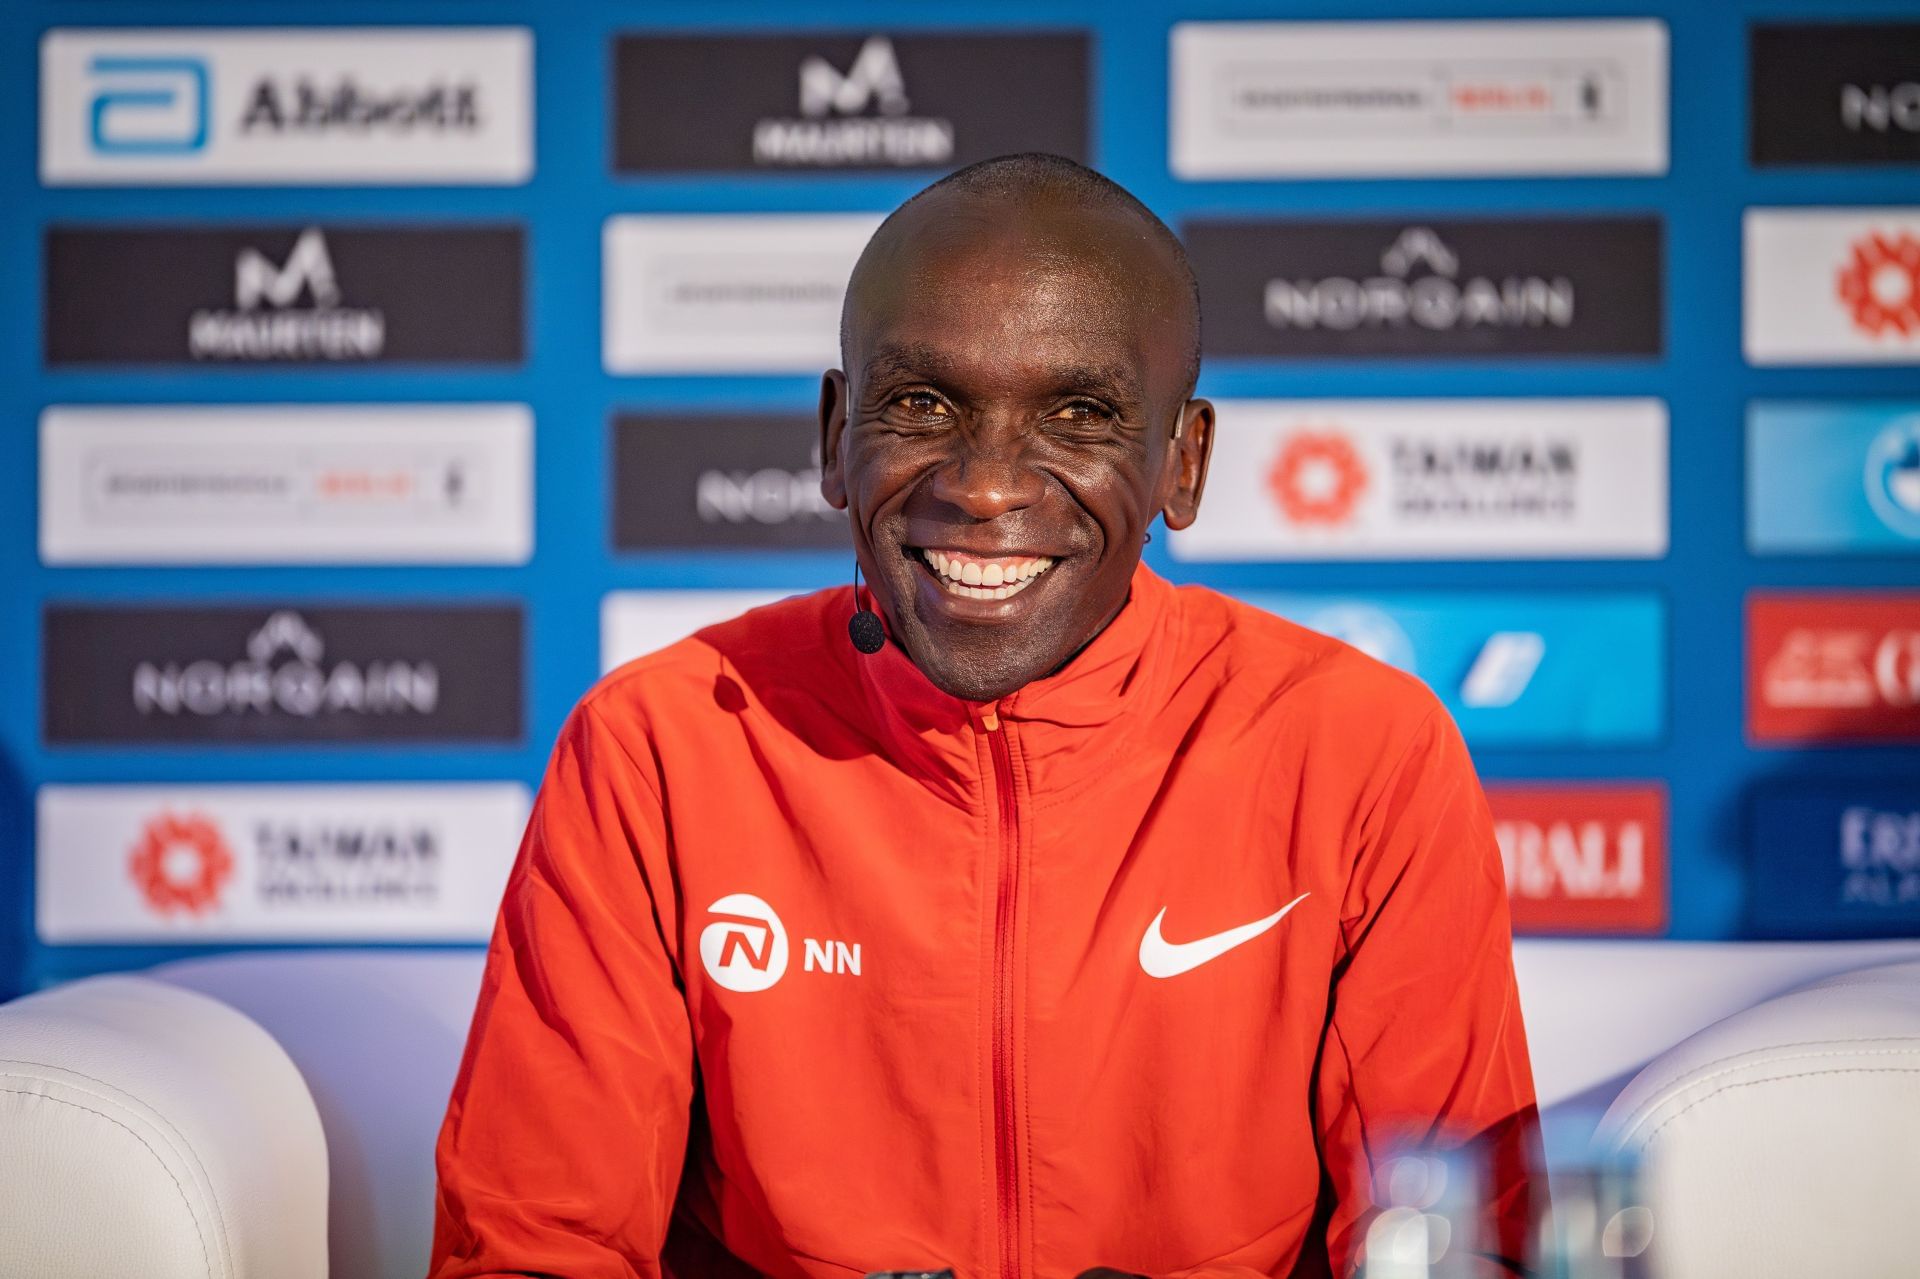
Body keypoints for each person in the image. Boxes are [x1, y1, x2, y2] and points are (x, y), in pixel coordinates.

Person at [429, 153, 1542, 1279]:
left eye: (1079, 414)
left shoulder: (1360, 752)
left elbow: (1459, 1249)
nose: (985, 486)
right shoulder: (659, 746)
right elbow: (534, 1249)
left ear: (1184, 462)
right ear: (836, 433)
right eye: (922, 403)